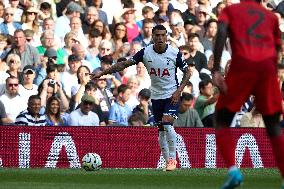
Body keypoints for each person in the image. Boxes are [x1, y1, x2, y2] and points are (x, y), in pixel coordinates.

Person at [93, 24, 191, 171]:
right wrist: (102, 73)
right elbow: (124, 64)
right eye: (157, 35)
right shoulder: (145, 52)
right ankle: (166, 162)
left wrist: (179, 91)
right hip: (156, 96)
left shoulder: (174, 53)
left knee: (166, 123)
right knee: (161, 130)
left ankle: (172, 160)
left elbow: (188, 72)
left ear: (166, 36)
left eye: (162, 35)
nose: (160, 38)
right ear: (152, 36)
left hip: (172, 94)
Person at [212, 0, 284, 188]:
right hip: (267, 68)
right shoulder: (271, 16)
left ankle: (234, 171)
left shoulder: (230, 10)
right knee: (273, 125)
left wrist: (216, 69)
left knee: (221, 119)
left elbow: (221, 33)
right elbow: (278, 47)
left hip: (242, 65)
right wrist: (272, 72)